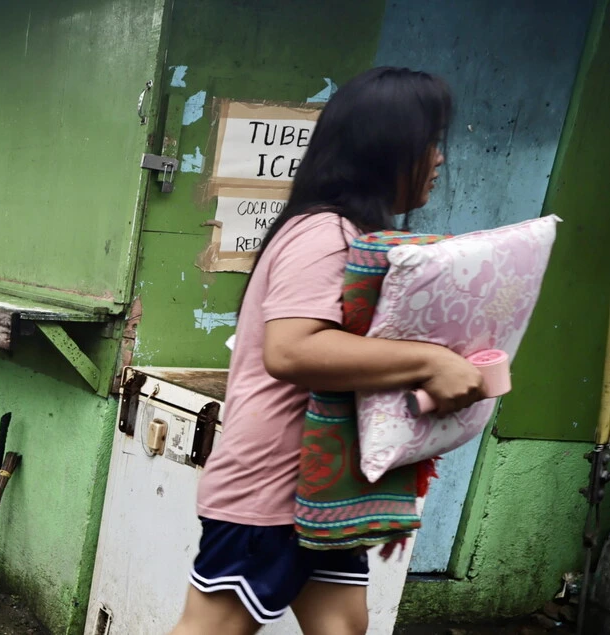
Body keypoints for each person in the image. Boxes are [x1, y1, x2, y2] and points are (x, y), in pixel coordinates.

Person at [171, 67, 486, 635]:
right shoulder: (324, 234)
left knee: (342, 625)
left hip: (321, 493)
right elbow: (292, 350)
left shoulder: (350, 235)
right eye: (429, 141)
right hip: (271, 490)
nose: (439, 158)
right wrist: (430, 361)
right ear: (385, 147)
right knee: (211, 628)